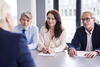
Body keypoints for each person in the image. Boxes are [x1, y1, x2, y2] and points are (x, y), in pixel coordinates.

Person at [0, 0, 35, 67]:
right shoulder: (17, 40)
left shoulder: (34, 28)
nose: (25, 22)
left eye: (28, 20)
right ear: (7, 18)